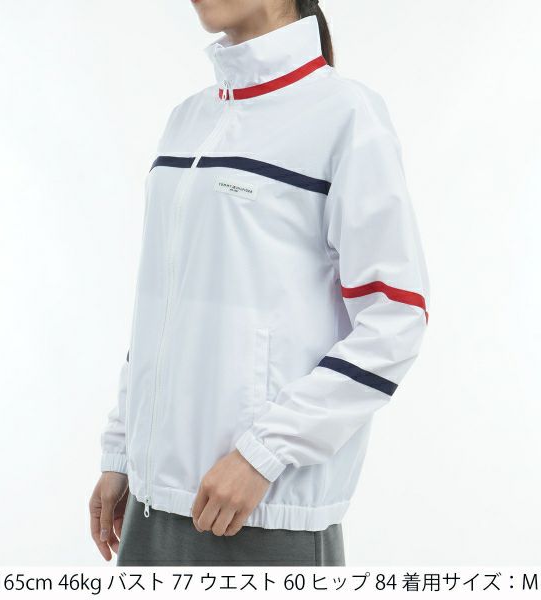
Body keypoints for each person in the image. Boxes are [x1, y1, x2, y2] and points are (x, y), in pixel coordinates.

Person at [89, 0, 430, 567]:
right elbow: (164, 309)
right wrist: (122, 451)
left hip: (261, 514)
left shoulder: (346, 115)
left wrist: (263, 453)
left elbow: (396, 317)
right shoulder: (187, 119)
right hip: (150, 513)